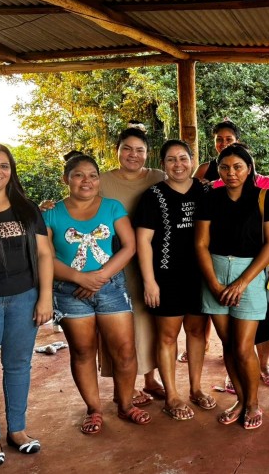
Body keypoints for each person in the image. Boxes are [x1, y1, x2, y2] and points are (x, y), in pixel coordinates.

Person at [45, 154, 151, 434]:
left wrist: (100, 278)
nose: (87, 181)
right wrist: (81, 278)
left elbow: (129, 246)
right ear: (65, 179)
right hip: (68, 291)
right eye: (79, 175)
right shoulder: (51, 213)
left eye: (92, 175)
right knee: (82, 351)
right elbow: (44, 256)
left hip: (112, 287)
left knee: (125, 351)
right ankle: (93, 409)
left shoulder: (112, 207)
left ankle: (126, 404)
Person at [0, 144, 53, 469]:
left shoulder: (25, 207)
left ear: (11, 171)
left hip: (24, 299)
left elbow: (44, 254)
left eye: (4, 166)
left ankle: (17, 430)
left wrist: (45, 297)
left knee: (18, 366)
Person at [195, 143, 269, 430]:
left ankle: (254, 403)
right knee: (229, 345)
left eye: (238, 167)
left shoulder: (265, 199)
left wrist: (242, 282)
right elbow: (201, 243)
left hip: (250, 274)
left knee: (244, 348)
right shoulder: (210, 198)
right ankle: (241, 400)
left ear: (249, 169)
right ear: (218, 170)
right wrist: (213, 283)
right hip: (214, 273)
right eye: (224, 167)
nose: (231, 173)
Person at [133, 140, 214, 421]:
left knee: (196, 333)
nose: (178, 164)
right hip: (166, 276)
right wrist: (149, 281)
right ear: (163, 164)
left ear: (193, 160)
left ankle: (196, 388)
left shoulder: (206, 191)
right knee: (167, 337)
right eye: (171, 160)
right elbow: (143, 240)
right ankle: (172, 395)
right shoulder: (153, 195)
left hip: (201, 275)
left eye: (183, 158)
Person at [97, 125, 167, 405]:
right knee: (119, 324)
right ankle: (123, 386)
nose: (133, 155)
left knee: (150, 320)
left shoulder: (158, 177)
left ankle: (150, 379)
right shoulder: (102, 180)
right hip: (113, 262)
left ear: (147, 154)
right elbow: (79, 204)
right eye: (127, 148)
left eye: (140, 150)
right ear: (117, 150)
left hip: (150, 262)